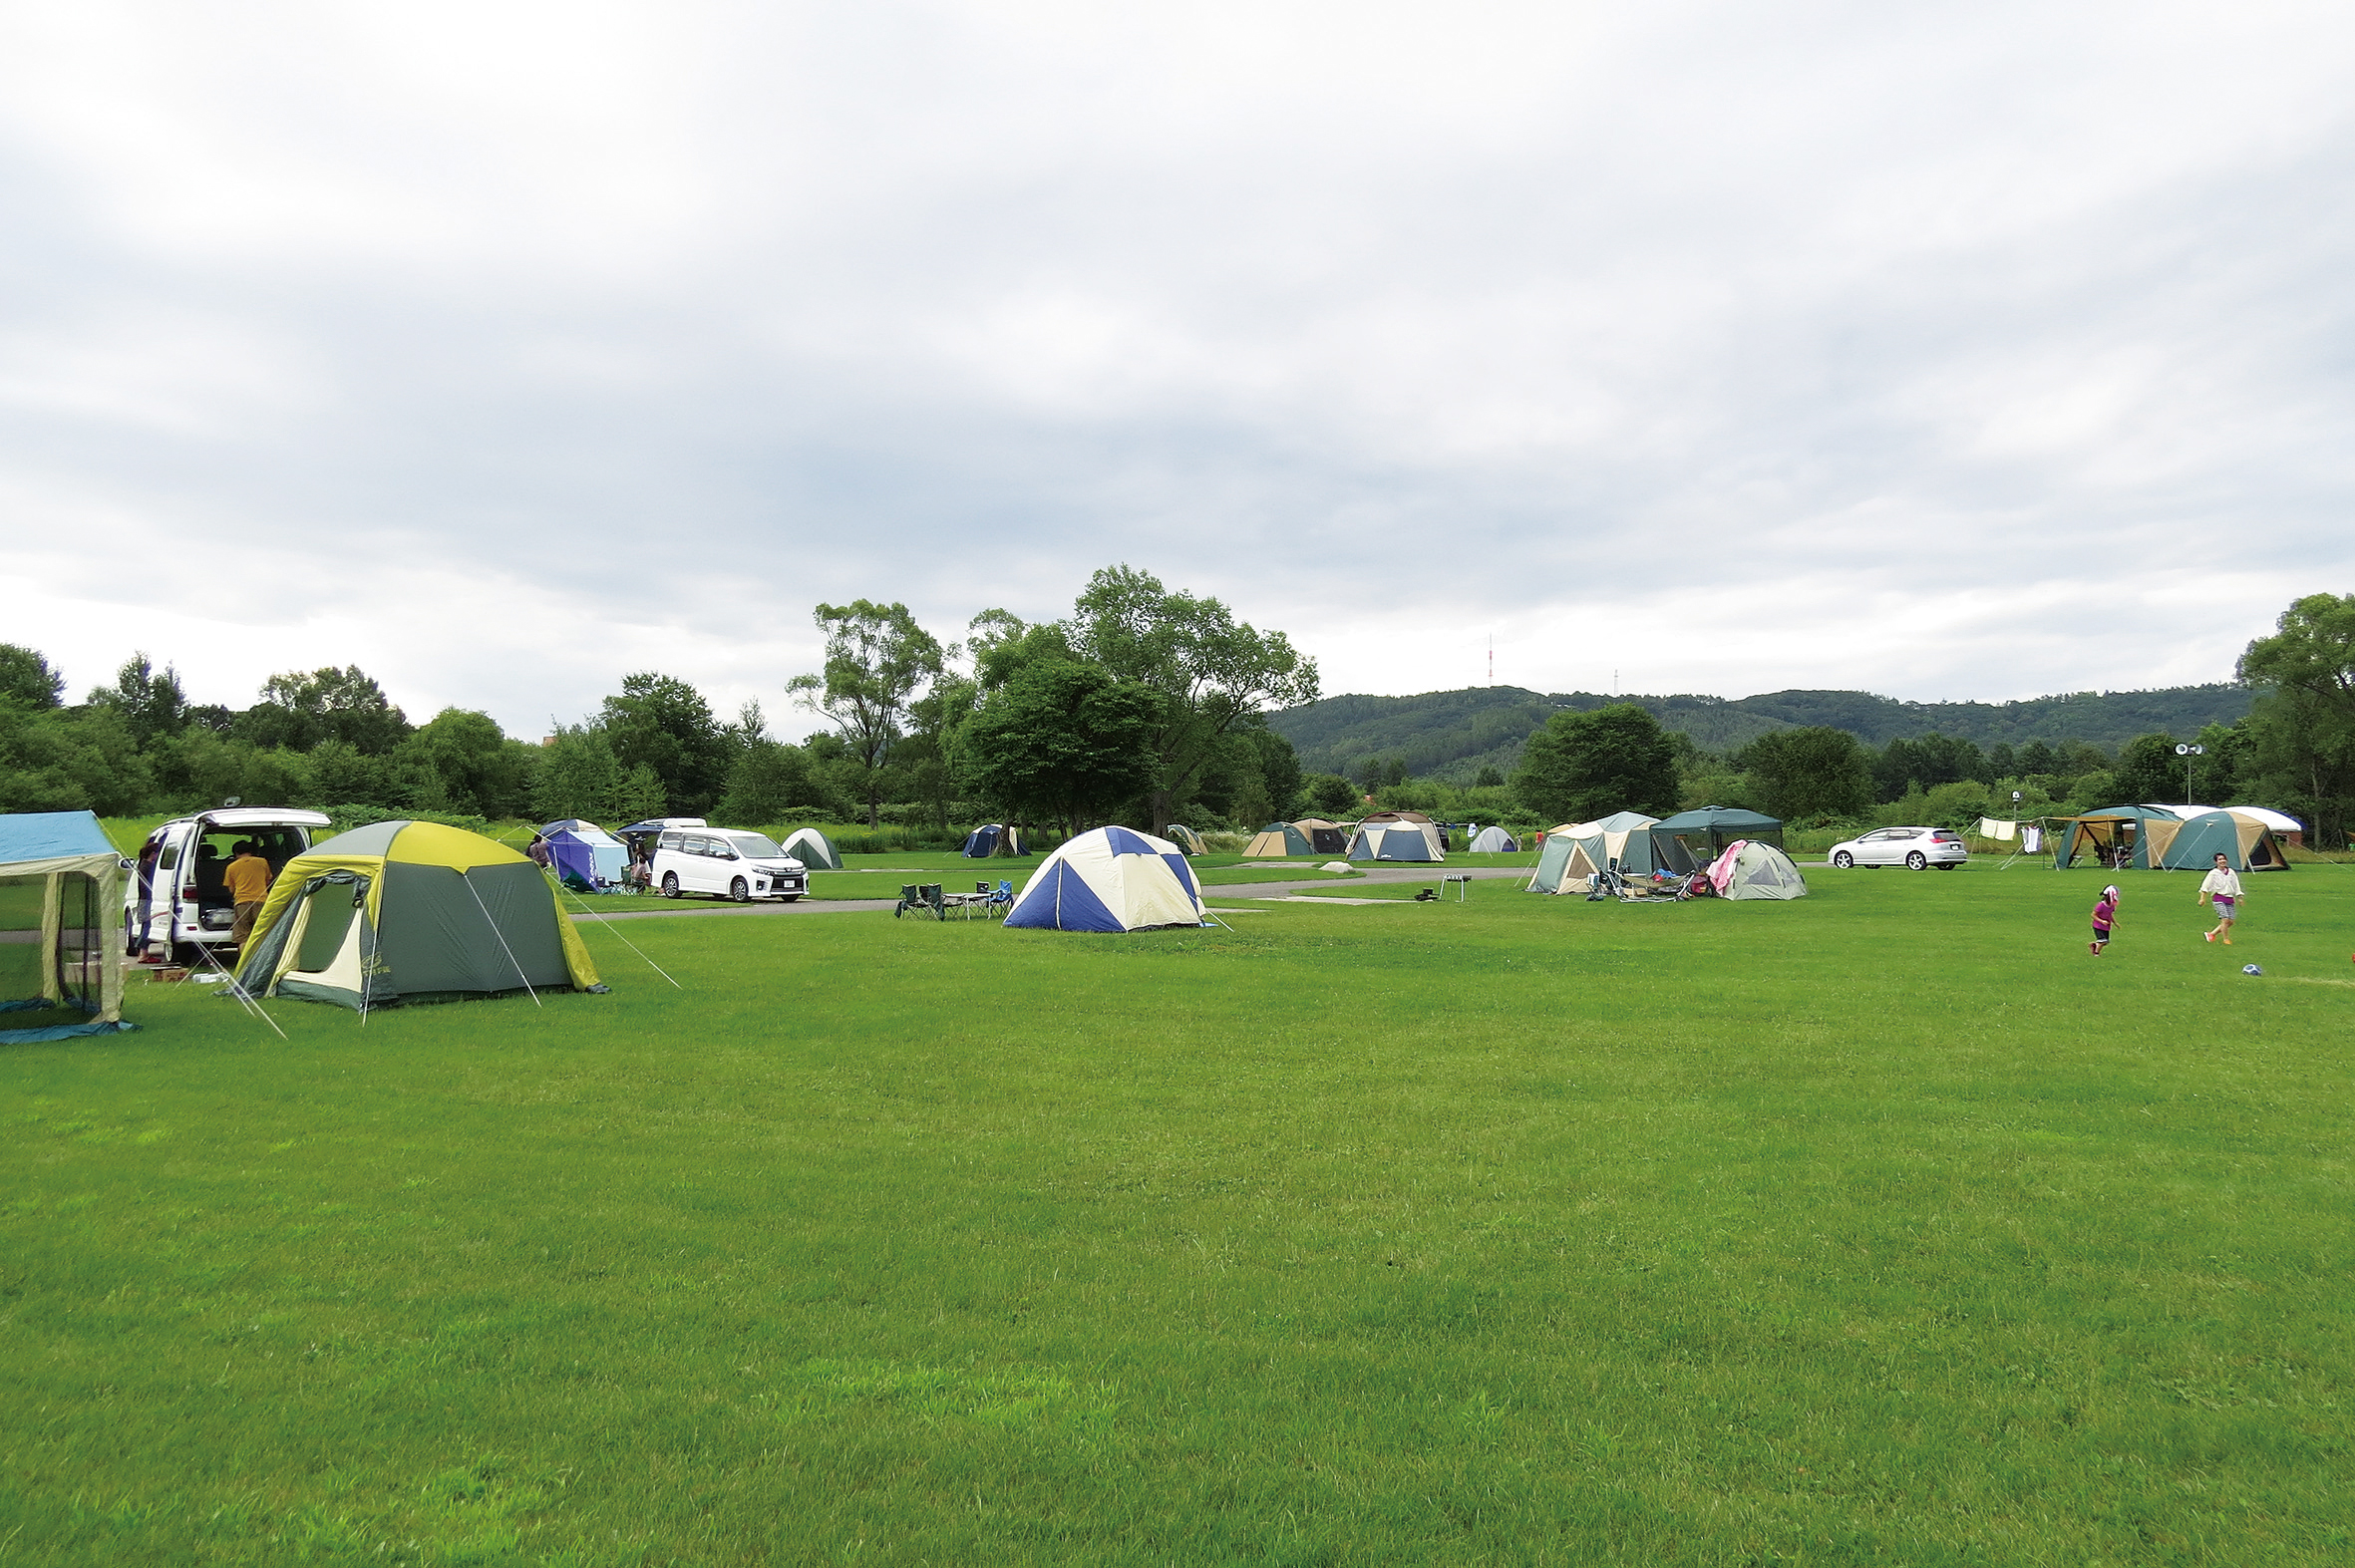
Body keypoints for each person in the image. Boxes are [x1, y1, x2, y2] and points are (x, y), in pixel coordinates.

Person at [223, 840, 275, 947]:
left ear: (235, 853)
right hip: (261, 902)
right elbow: (268, 881)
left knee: (243, 938)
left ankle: (245, 962)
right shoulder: (262, 862)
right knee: (262, 935)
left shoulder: (231, 867)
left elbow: (231, 890)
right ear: (251, 851)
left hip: (241, 903)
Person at [2199, 852, 2243, 944]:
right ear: (2216, 862)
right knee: (2225, 919)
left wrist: (2239, 897)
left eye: (2223, 859)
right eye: (2219, 860)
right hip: (2219, 898)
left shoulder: (2231, 872)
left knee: (2230, 921)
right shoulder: (2213, 873)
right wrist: (2202, 898)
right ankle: (2226, 939)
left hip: (2229, 898)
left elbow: (2236, 885)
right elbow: (2206, 886)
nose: (2222, 861)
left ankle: (2212, 934)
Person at [2090, 883, 2120, 956]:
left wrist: (2115, 923)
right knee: (2103, 940)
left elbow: (2110, 914)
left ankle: (2094, 945)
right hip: (2098, 925)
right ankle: (2096, 953)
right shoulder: (2101, 905)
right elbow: (2093, 915)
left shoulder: (2112, 906)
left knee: (2105, 942)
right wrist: (2101, 921)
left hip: (2106, 926)